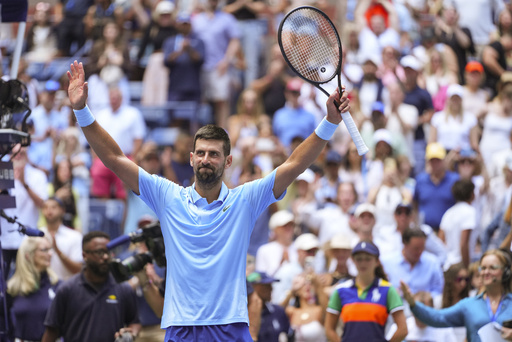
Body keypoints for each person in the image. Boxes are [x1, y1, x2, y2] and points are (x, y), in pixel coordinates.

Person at [65, 60, 351, 340]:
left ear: (227, 161)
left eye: (214, 154)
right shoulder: (168, 196)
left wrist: (329, 122)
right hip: (181, 327)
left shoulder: (245, 200)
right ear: (191, 159)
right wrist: (81, 110)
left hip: (230, 328)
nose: (206, 159)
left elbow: (293, 165)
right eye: (200, 153)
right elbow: (115, 159)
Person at [42, 231, 141, 342]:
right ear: (84, 255)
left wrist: (130, 334)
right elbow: (52, 330)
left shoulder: (123, 288)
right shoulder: (67, 289)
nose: (105, 256)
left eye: (108, 252)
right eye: (99, 252)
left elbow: (134, 322)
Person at [401, 249, 512, 342]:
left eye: (492, 268)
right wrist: (414, 304)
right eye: (483, 268)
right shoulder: (469, 305)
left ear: (506, 271)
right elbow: (438, 318)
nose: (486, 272)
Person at [324, 241, 408, 342]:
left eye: (368, 259)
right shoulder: (341, 290)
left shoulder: (388, 290)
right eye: (359, 259)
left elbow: (403, 329)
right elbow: (329, 329)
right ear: (353, 260)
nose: (363, 263)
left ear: (377, 261)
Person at [7, 236, 60, 342]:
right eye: (45, 250)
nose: (50, 254)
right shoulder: (12, 289)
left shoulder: (58, 286)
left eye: (50, 249)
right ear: (28, 255)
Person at [381, 228, 445, 300]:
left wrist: (426, 297)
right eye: (416, 248)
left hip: (425, 308)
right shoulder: (387, 262)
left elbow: (438, 290)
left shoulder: (432, 262)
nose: (420, 252)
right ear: (405, 244)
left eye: (422, 248)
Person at [40, 197, 83, 281]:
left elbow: (78, 269)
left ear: (62, 210)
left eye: (53, 207)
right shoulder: (35, 235)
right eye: (45, 207)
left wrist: (57, 250)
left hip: (67, 287)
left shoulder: (75, 236)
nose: (49, 211)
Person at [247, 271, 291, 342]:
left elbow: (288, 335)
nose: (271, 289)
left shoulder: (278, 311)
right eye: (266, 286)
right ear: (253, 287)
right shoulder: (244, 315)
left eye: (270, 285)